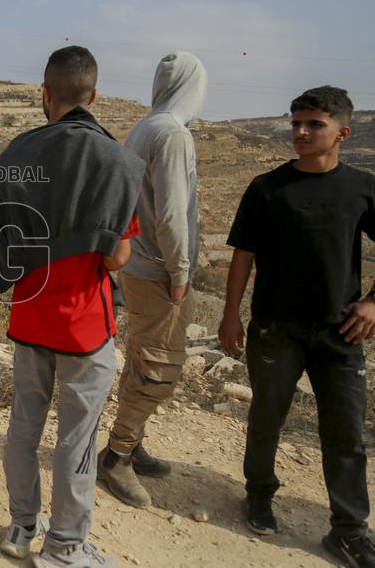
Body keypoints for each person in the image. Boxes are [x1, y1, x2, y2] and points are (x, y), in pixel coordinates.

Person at [0, 46, 144, 566]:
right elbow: (117, 259)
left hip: (30, 315)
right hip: (84, 324)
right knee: (77, 437)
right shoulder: (118, 162)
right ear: (95, 94)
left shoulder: (18, 153)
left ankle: (21, 528)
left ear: (46, 93)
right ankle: (65, 546)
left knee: (23, 424)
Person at [218, 86, 375, 566]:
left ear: (343, 133)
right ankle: (260, 495)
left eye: (314, 124)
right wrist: (230, 315)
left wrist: (373, 303)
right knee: (267, 417)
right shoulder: (267, 188)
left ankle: (348, 529)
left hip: (340, 330)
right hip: (275, 328)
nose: (301, 132)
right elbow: (243, 257)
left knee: (346, 431)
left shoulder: (363, 187)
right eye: (295, 123)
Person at [97, 51, 207, 508]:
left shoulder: (143, 126)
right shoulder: (173, 134)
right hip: (160, 270)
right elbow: (172, 213)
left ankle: (130, 443)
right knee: (159, 367)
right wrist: (180, 270)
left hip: (136, 266)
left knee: (144, 358)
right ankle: (118, 456)